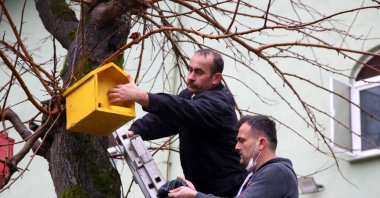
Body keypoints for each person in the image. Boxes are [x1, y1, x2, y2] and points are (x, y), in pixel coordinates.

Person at [108, 49, 247, 197]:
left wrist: (142, 97)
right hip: (201, 189)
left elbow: (183, 109)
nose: (191, 77)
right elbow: (166, 119)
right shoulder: (191, 95)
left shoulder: (220, 104)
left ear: (216, 78)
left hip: (229, 190)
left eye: (199, 72)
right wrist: (135, 130)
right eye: (190, 70)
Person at [168, 115, 299, 198]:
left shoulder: (276, 172)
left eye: (242, 140)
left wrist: (195, 195)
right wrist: (193, 193)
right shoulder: (258, 175)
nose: (236, 147)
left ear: (261, 143)